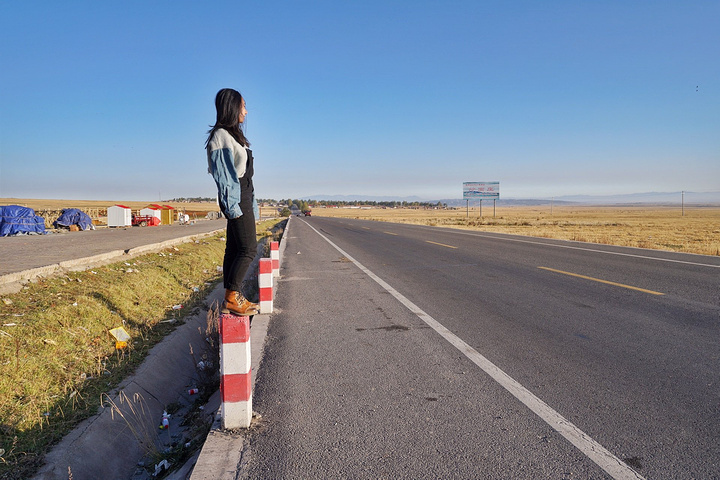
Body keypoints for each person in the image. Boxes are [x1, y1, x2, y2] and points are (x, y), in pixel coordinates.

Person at [206, 88, 259, 316]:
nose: (246, 112)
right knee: (248, 249)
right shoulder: (221, 137)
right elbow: (225, 177)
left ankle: (232, 296)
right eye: (243, 106)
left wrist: (253, 204)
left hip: (244, 195)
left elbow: (247, 178)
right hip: (237, 198)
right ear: (232, 107)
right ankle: (232, 297)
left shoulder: (234, 136)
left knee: (234, 249)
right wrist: (232, 207)